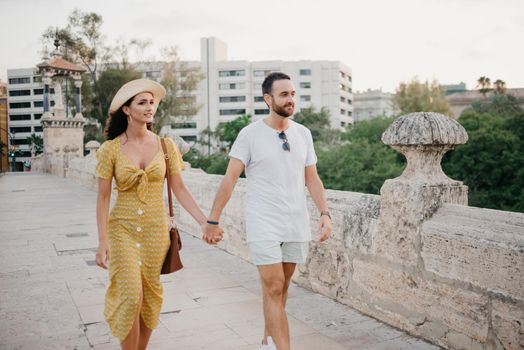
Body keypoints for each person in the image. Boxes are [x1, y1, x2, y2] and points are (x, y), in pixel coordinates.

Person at [203, 72, 332, 350]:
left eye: (293, 94)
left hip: (295, 222)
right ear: (268, 98)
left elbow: (312, 178)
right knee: (273, 286)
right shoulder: (249, 134)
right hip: (263, 221)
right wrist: (212, 220)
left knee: (280, 288)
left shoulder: (303, 134)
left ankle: (267, 342)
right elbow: (230, 179)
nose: (290, 99)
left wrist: (325, 213)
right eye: (284, 94)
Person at [95, 78, 222, 350]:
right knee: (130, 295)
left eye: (151, 102)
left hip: (156, 232)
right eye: (142, 102)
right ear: (127, 110)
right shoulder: (110, 150)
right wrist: (102, 241)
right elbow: (103, 197)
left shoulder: (166, 146)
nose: (150, 106)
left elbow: (180, 188)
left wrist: (205, 222)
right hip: (122, 230)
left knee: (149, 299)